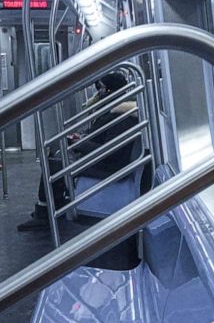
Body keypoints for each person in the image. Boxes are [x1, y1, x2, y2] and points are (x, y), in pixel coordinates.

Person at [17, 72, 140, 231]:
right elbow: (99, 136)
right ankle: (56, 204)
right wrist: (82, 137)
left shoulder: (122, 117)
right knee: (55, 155)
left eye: (101, 88)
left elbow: (110, 151)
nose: (99, 92)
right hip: (103, 159)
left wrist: (79, 143)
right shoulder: (113, 111)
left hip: (109, 166)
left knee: (54, 166)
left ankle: (44, 214)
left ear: (111, 91)